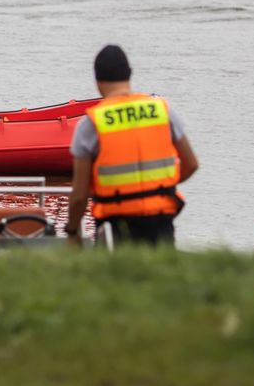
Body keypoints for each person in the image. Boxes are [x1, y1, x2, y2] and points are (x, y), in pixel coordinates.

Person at [64, 45, 199, 247]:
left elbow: (79, 195)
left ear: (97, 80)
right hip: (160, 221)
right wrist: (159, 188)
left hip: (116, 226)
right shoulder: (162, 110)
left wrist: (72, 231)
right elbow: (191, 164)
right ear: (130, 74)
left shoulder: (91, 124)